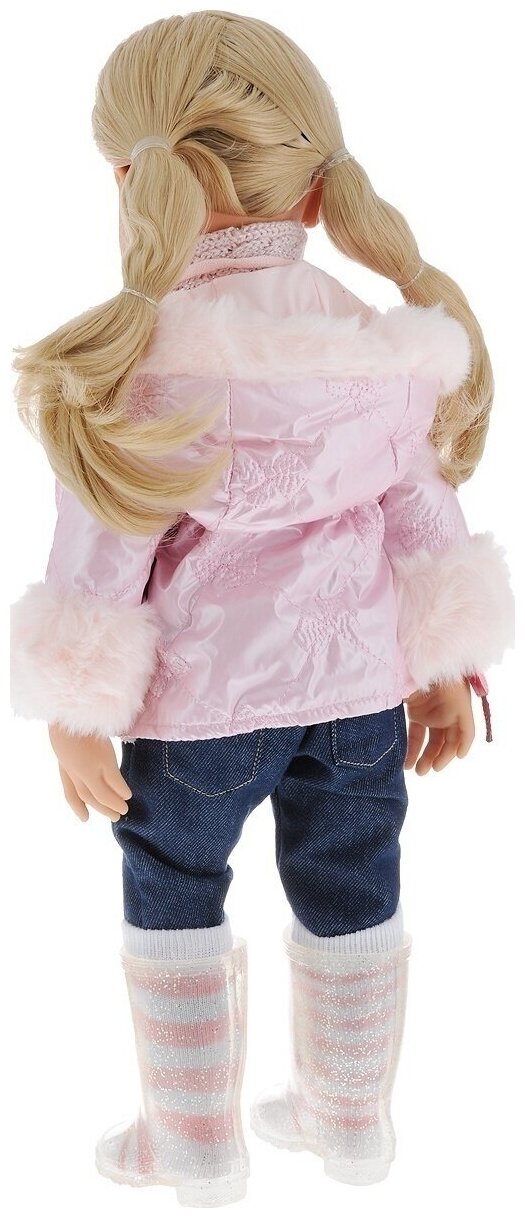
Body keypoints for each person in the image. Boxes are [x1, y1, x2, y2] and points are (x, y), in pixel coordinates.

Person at [10, 10, 514, 1209]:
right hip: (359, 698)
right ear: (317, 189)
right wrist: (444, 666)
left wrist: (75, 711)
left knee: (173, 883)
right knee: (353, 879)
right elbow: (422, 509)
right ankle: (350, 1120)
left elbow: (103, 547)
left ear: (132, 183)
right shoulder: (378, 342)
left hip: (201, 715)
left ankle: (192, 1141)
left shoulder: (145, 360)